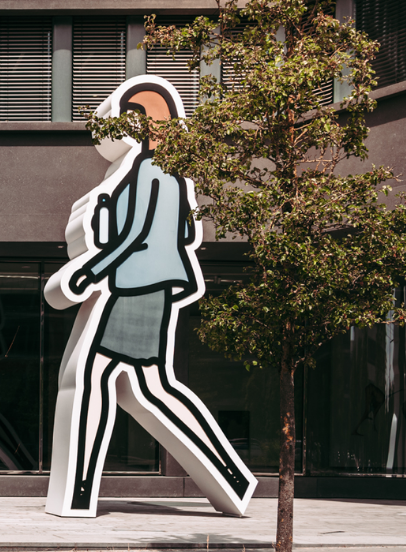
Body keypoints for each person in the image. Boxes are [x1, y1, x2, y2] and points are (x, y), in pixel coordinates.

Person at [44, 76, 256, 518]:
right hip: (150, 286)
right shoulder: (169, 176)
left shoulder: (149, 171)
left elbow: (134, 235)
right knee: (147, 385)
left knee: (93, 378)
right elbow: (180, 234)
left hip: (135, 286)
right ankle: (230, 477)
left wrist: (92, 269)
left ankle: (80, 491)